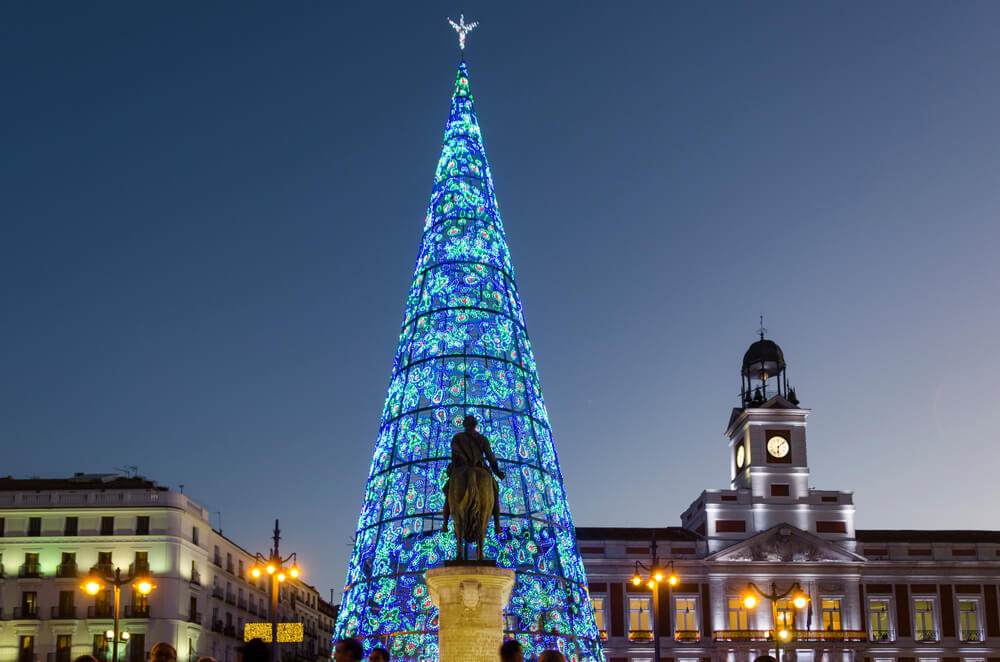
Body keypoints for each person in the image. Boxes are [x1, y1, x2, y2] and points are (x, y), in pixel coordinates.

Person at [442, 415, 505, 534]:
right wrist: (497, 472)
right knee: (495, 493)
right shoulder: (482, 439)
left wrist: (460, 461)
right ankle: (497, 524)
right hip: (479, 467)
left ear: (464, 425)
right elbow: (491, 458)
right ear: (475, 425)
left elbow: (455, 453)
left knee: (448, 492)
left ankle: (445, 523)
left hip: (462, 467)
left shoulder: (458, 437)